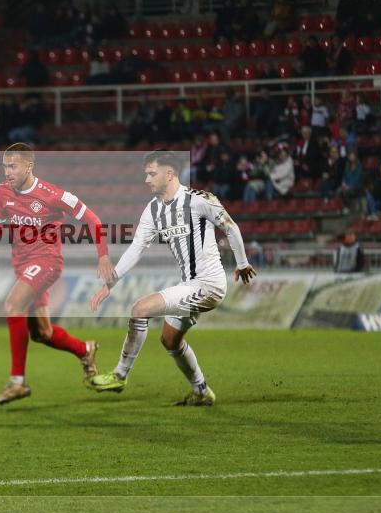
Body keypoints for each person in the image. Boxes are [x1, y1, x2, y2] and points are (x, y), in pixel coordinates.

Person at [86, 150, 256, 404]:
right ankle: (201, 391)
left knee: (139, 309)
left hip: (209, 285)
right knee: (170, 341)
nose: (147, 180)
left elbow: (230, 227)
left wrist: (242, 262)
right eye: (146, 174)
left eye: (152, 173)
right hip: (189, 285)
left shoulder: (199, 199)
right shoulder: (153, 210)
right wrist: (111, 283)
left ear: (170, 173)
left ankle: (120, 375)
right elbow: (137, 248)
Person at [0, 143, 115, 404]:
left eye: (13, 166)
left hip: (47, 262)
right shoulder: (2, 192)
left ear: (29, 166)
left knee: (13, 304)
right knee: (42, 333)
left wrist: (103, 255)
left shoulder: (52, 195)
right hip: (22, 265)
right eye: (5, 166)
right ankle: (85, 350)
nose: (7, 172)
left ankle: (17, 382)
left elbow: (93, 220)